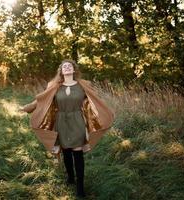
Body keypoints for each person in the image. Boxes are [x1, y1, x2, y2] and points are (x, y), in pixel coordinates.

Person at [20, 59, 115, 198]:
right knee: (66, 151)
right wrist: (26, 108)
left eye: (69, 66)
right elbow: (41, 100)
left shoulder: (84, 85)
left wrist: (108, 112)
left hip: (77, 121)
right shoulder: (54, 86)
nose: (67, 67)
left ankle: (80, 187)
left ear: (74, 69)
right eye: (64, 66)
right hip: (61, 121)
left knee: (77, 152)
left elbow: (96, 100)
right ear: (61, 71)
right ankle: (70, 177)